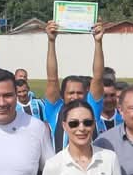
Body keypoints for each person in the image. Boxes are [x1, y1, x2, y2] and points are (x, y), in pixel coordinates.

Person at [43, 20, 107, 149]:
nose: (75, 96)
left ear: (86, 93)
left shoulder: (92, 108)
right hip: (63, 168)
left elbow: (98, 78)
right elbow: (52, 79)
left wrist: (98, 42)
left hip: (89, 166)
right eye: (71, 93)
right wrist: (51, 41)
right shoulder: (55, 110)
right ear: (62, 95)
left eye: (79, 93)